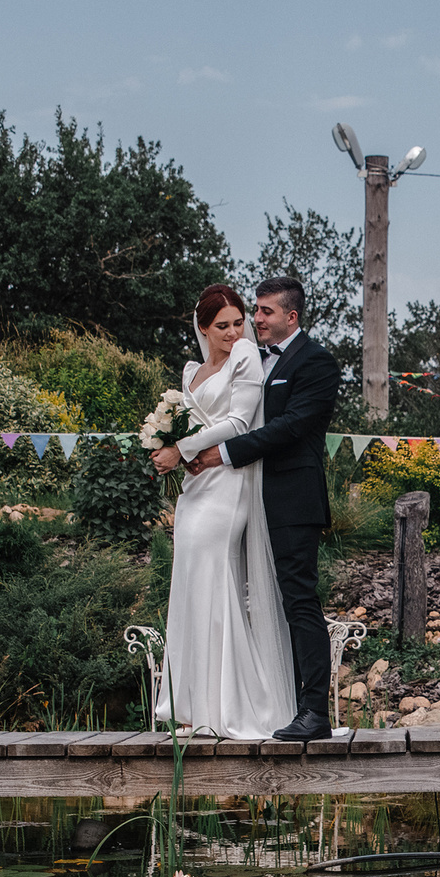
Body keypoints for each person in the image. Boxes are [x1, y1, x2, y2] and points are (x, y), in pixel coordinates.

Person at [155, 276, 341, 741]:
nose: (254, 321)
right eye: (251, 313)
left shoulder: (316, 362)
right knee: (264, 598)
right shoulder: (253, 357)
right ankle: (222, 702)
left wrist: (217, 454)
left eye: (263, 313)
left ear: (291, 316)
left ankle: (314, 711)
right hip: (246, 491)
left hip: (293, 497)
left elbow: (290, 428)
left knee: (299, 600)